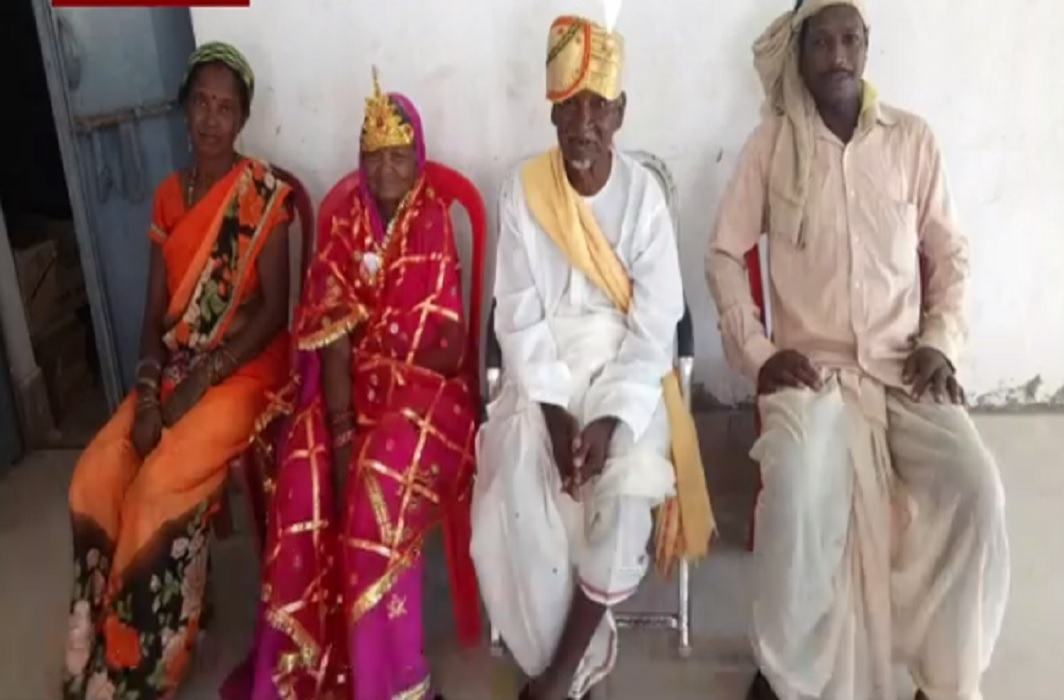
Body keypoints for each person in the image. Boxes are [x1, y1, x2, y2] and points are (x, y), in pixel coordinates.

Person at [706, 2, 1010, 699]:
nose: (836, 55)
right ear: (803, 51)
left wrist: (940, 341)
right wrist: (758, 353)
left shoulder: (912, 141)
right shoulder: (772, 146)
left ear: (867, 47)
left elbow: (950, 255)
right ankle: (789, 674)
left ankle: (945, 673)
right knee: (798, 491)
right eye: (822, 41)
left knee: (976, 489)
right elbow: (724, 254)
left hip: (907, 370)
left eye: (850, 40)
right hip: (816, 374)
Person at [471, 15, 714, 700]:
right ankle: (561, 658)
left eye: (599, 108)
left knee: (627, 491)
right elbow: (516, 314)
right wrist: (551, 414)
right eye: (570, 107)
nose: (585, 124)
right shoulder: (524, 191)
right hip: (541, 373)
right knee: (521, 494)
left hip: (626, 376)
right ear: (550, 111)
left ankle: (557, 676)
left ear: (621, 113)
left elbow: (655, 324)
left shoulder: (643, 198)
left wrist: (611, 417)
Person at [228, 71, 481, 700]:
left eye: (399, 155)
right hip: (349, 390)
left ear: (416, 158)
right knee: (303, 469)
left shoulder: (432, 221)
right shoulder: (344, 222)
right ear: (360, 160)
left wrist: (375, 345)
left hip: (423, 395)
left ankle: (398, 680)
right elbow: (324, 320)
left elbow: (443, 338)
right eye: (376, 156)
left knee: (376, 489)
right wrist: (340, 421)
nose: (388, 170)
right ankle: (308, 656)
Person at [63, 42, 294, 699]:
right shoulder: (168, 197)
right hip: (174, 363)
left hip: (245, 366)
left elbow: (275, 310)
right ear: (184, 111)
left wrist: (203, 378)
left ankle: (141, 669)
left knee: (158, 486)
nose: (213, 119)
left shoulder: (263, 194)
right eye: (202, 103)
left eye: (226, 107)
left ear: (242, 119)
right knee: (95, 475)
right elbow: (154, 314)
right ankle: (94, 645)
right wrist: (145, 389)